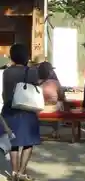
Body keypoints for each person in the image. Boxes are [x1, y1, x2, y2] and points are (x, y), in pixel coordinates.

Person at [0, 44, 40, 181]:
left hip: (10, 109)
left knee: (13, 142)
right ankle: (22, 173)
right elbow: (35, 88)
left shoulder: (7, 72)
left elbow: (5, 93)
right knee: (28, 142)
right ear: (26, 56)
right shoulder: (33, 71)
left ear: (12, 56)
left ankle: (14, 173)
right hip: (28, 109)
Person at [38, 61, 66, 139]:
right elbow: (62, 96)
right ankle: (56, 130)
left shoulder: (35, 83)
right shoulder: (55, 83)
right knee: (60, 103)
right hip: (51, 109)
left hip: (38, 109)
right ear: (50, 72)